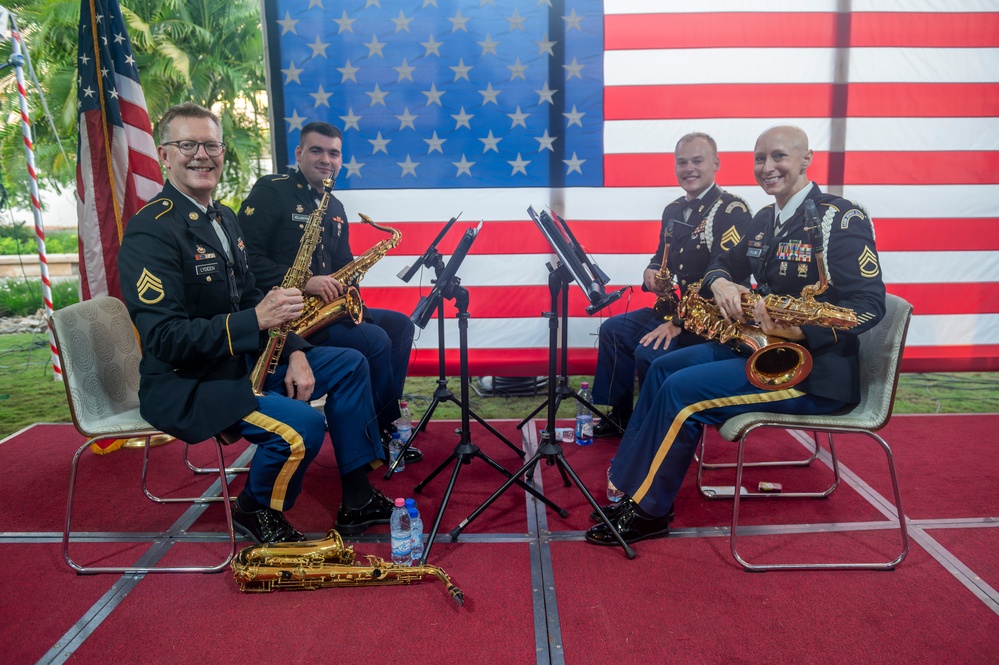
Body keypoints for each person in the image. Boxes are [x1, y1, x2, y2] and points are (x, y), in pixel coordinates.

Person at [585, 125, 887, 546]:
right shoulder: (764, 218)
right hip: (762, 350)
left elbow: (870, 305)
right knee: (662, 370)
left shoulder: (840, 217)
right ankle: (630, 483)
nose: (767, 167)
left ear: (806, 159)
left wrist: (801, 328)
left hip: (812, 373)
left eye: (778, 156)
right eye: (760, 158)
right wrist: (723, 283)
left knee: (681, 394)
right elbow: (720, 265)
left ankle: (649, 511)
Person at [118, 102, 394, 545]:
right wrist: (257, 319)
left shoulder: (223, 217)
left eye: (211, 145)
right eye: (188, 144)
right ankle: (253, 507)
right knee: (304, 426)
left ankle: (357, 496)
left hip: (242, 361)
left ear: (223, 153)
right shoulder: (151, 230)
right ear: (164, 154)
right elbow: (164, 339)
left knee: (351, 364)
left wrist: (298, 350)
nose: (201, 155)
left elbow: (248, 294)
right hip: (189, 381)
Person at [237, 122, 420, 463]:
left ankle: (386, 421)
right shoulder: (271, 191)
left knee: (400, 326)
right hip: (287, 318)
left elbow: (344, 262)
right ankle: (373, 437)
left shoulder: (334, 206)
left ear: (341, 159)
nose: (326, 159)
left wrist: (351, 293)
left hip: (325, 310)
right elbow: (246, 260)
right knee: (376, 339)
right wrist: (305, 282)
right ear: (299, 154)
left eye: (333, 153)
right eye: (317, 151)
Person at [589, 132, 752, 437]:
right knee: (613, 331)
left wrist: (678, 323)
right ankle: (620, 416)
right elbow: (659, 257)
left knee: (649, 353)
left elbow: (723, 274)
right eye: (682, 162)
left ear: (716, 163)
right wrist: (651, 273)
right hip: (678, 310)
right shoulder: (673, 210)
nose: (689, 168)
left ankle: (655, 429)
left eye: (697, 161)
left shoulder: (733, 211)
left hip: (714, 321)